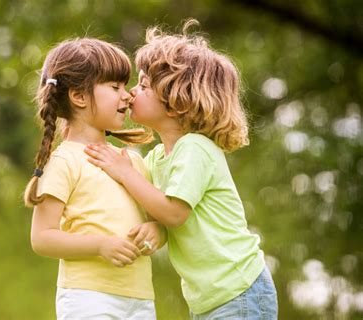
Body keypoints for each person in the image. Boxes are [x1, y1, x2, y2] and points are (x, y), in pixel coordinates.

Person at [85, 21, 278, 319]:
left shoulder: (195, 148)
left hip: (239, 290)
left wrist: (124, 172)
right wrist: (154, 227)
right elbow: (160, 213)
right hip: (209, 298)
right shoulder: (158, 158)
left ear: (175, 103)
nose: (132, 92)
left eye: (144, 85)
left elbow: (174, 213)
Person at [24, 38, 166, 320]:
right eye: (115, 87)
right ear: (78, 96)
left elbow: (156, 220)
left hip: (140, 298)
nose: (127, 96)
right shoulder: (65, 161)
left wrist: (157, 233)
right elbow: (42, 238)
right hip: (88, 297)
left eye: (125, 87)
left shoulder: (132, 162)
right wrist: (100, 245)